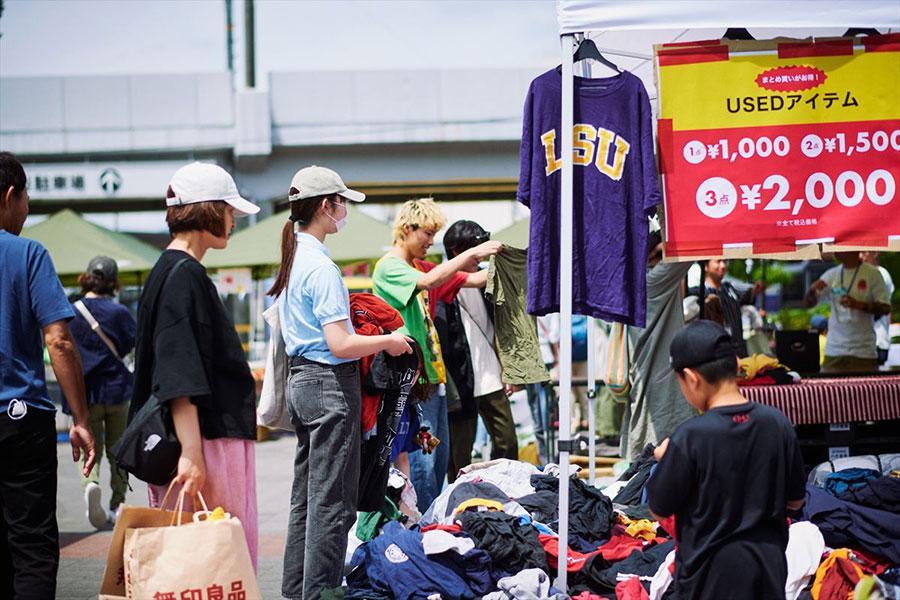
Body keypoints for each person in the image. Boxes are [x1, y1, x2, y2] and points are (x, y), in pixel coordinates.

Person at [271, 166, 412, 600]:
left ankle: (297, 592)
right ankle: (321, 594)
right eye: (341, 202)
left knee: (307, 501)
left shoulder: (295, 259)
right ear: (325, 206)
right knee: (333, 505)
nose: (345, 210)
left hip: (302, 382)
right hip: (330, 386)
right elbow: (340, 341)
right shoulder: (321, 267)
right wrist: (388, 340)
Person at [129, 162, 262, 568]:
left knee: (196, 565)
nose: (233, 220)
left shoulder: (167, 270)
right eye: (229, 211)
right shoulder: (184, 274)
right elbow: (178, 369)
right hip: (206, 439)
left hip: (200, 438)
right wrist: (191, 452)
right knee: (216, 563)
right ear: (207, 211)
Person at [647, 320, 806, 600]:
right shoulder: (777, 423)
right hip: (767, 573)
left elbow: (659, 509)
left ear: (691, 378)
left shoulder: (690, 437)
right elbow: (795, 502)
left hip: (709, 579)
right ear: (735, 363)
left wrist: (665, 458)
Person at [0, 151, 97, 598]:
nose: (27, 209)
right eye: (26, 199)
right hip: (19, 420)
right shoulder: (28, 254)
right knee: (33, 545)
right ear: (9, 196)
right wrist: (80, 418)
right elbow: (58, 340)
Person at [373, 198, 501, 512]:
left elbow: (470, 279)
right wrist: (471, 253)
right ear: (407, 228)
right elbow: (430, 281)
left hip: (432, 380)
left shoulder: (419, 266)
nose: (431, 242)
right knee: (422, 462)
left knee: (438, 457)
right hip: (412, 383)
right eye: (427, 234)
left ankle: (429, 522)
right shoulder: (390, 266)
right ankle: (423, 526)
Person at [437, 220, 517, 480]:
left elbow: (499, 326)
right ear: (457, 250)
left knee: (506, 441)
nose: (479, 256)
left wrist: (508, 368)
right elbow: (480, 277)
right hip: (461, 378)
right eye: (475, 250)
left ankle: (503, 489)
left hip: (492, 373)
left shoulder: (481, 282)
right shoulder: (443, 278)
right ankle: (460, 502)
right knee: (460, 452)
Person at [66, 255, 136, 529]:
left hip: (85, 394)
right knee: (119, 449)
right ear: (113, 283)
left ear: (86, 278)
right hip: (118, 391)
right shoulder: (119, 313)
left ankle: (90, 483)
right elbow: (131, 343)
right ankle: (118, 503)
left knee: (89, 445)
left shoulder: (71, 310)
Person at [620, 231, 695, 462]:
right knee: (659, 429)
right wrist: (668, 241)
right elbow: (691, 247)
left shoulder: (629, 281)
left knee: (646, 418)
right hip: (658, 368)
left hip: (644, 365)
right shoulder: (652, 280)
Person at [805, 251, 891, 373]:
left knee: (865, 391)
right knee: (828, 391)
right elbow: (809, 304)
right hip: (834, 350)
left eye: (840, 246)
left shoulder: (872, 273)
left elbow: (885, 308)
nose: (835, 250)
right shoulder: (831, 274)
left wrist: (858, 305)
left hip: (863, 352)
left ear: (852, 249)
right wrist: (812, 291)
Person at [703, 258, 763, 357]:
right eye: (718, 262)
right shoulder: (699, 292)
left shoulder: (729, 288)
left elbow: (749, 294)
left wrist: (756, 289)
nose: (723, 266)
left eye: (725, 262)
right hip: (717, 353)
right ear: (705, 266)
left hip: (738, 350)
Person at [860, 251, 895, 365]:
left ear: (875, 253)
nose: (860, 256)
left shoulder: (880, 274)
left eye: (864, 252)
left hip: (877, 341)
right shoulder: (869, 274)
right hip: (871, 341)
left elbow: (881, 309)